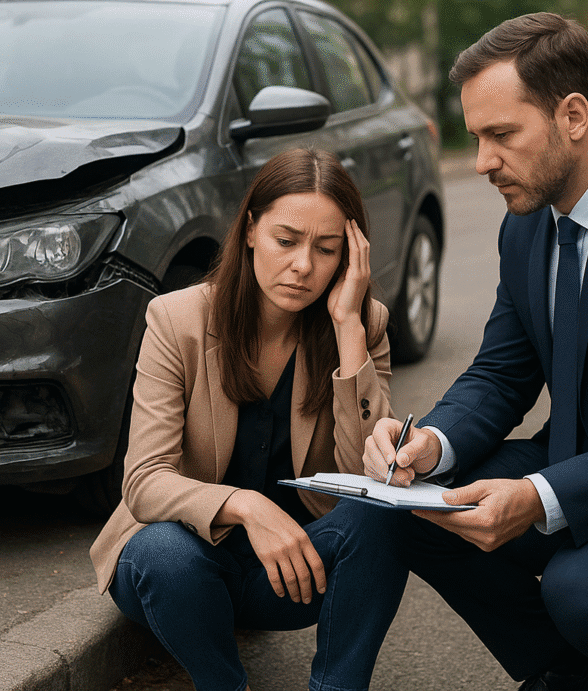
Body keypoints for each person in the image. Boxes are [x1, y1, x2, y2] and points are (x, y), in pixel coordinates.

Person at [363, 12, 588, 691]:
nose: (484, 162)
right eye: (475, 138)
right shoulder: (526, 227)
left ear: (573, 115)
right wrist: (429, 444)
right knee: (412, 506)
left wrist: (542, 493)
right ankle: (561, 671)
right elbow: (502, 370)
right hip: (577, 458)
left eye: (501, 135)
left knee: (584, 591)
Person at [91, 147, 404, 691]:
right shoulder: (178, 319)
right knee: (163, 553)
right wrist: (248, 507)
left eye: (326, 249)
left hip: (290, 573)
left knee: (387, 515)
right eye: (287, 241)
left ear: (350, 257)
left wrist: (348, 327)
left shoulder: (363, 323)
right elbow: (143, 481)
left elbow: (368, 480)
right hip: (180, 569)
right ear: (252, 229)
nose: (303, 266)